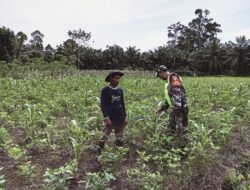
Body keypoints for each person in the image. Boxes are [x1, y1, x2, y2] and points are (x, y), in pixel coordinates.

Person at [156, 65, 189, 143]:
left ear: (162, 72)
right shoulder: (169, 80)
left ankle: (183, 146)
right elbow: (170, 98)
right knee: (171, 125)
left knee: (181, 128)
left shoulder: (173, 78)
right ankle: (169, 143)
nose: (159, 78)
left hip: (180, 108)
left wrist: (176, 111)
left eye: (159, 75)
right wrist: (162, 108)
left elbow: (177, 94)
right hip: (174, 107)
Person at [99, 71, 128, 150]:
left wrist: (125, 116)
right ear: (111, 79)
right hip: (110, 117)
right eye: (116, 78)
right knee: (104, 135)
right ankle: (100, 151)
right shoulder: (105, 90)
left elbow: (122, 103)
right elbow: (103, 105)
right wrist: (106, 117)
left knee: (120, 137)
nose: (118, 80)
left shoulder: (120, 90)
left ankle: (119, 153)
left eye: (119, 78)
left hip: (120, 116)